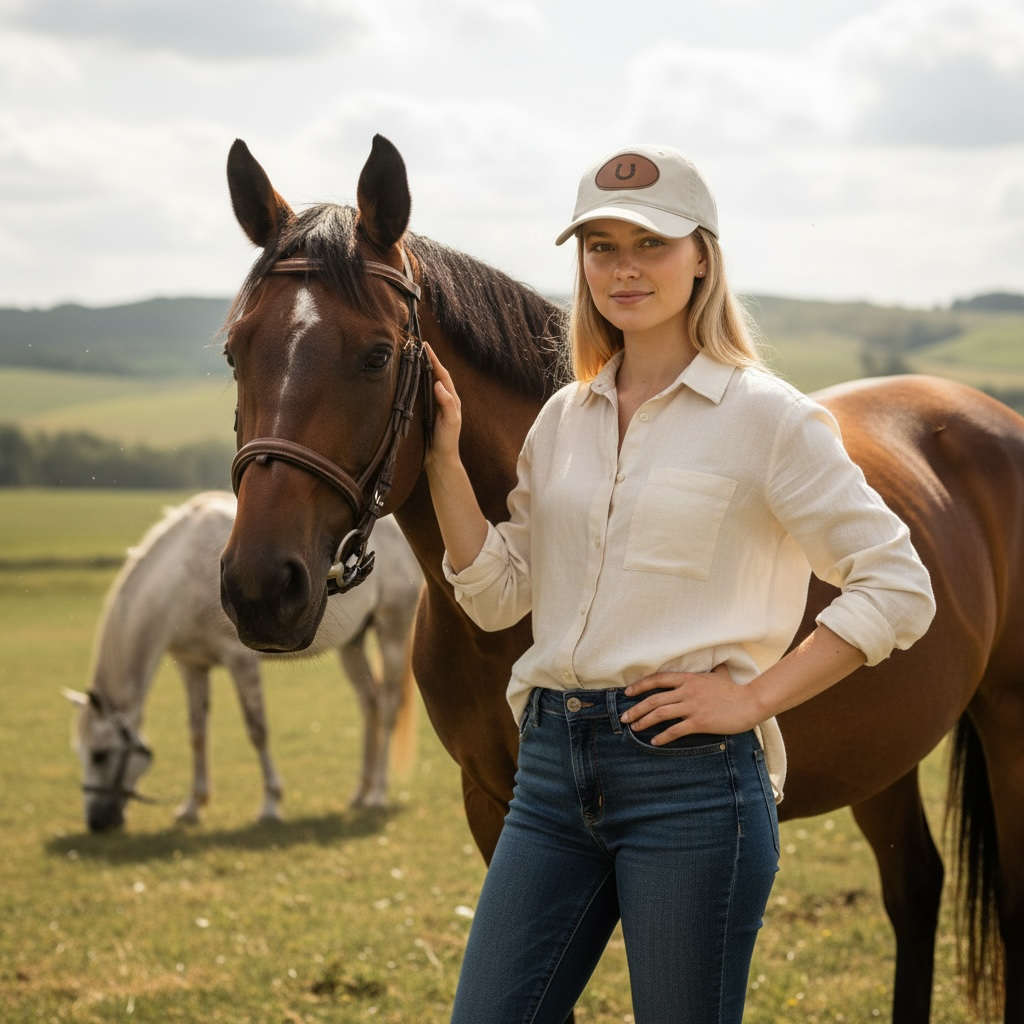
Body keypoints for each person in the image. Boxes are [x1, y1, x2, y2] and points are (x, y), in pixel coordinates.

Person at [423, 143, 936, 1024]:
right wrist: (442, 459)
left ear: (702, 255)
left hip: (690, 787)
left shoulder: (769, 419)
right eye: (600, 247)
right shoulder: (562, 420)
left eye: (650, 244)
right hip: (549, 773)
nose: (623, 269)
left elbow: (897, 586)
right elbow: (502, 594)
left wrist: (754, 699)